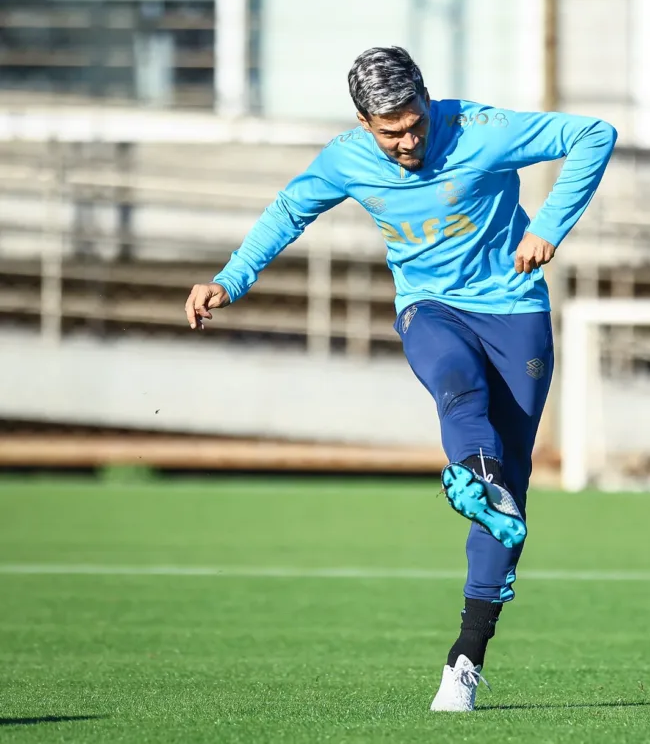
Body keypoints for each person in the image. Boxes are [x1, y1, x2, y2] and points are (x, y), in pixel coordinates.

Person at [183, 46, 618, 711]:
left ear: (427, 102)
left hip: (515, 312)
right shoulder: (346, 158)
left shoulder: (480, 130)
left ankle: (465, 658)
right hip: (429, 307)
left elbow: (594, 134)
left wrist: (550, 226)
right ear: (364, 124)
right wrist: (229, 280)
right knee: (457, 384)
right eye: (392, 133)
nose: (409, 141)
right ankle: (475, 472)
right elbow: (290, 210)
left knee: (508, 500)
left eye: (416, 124)